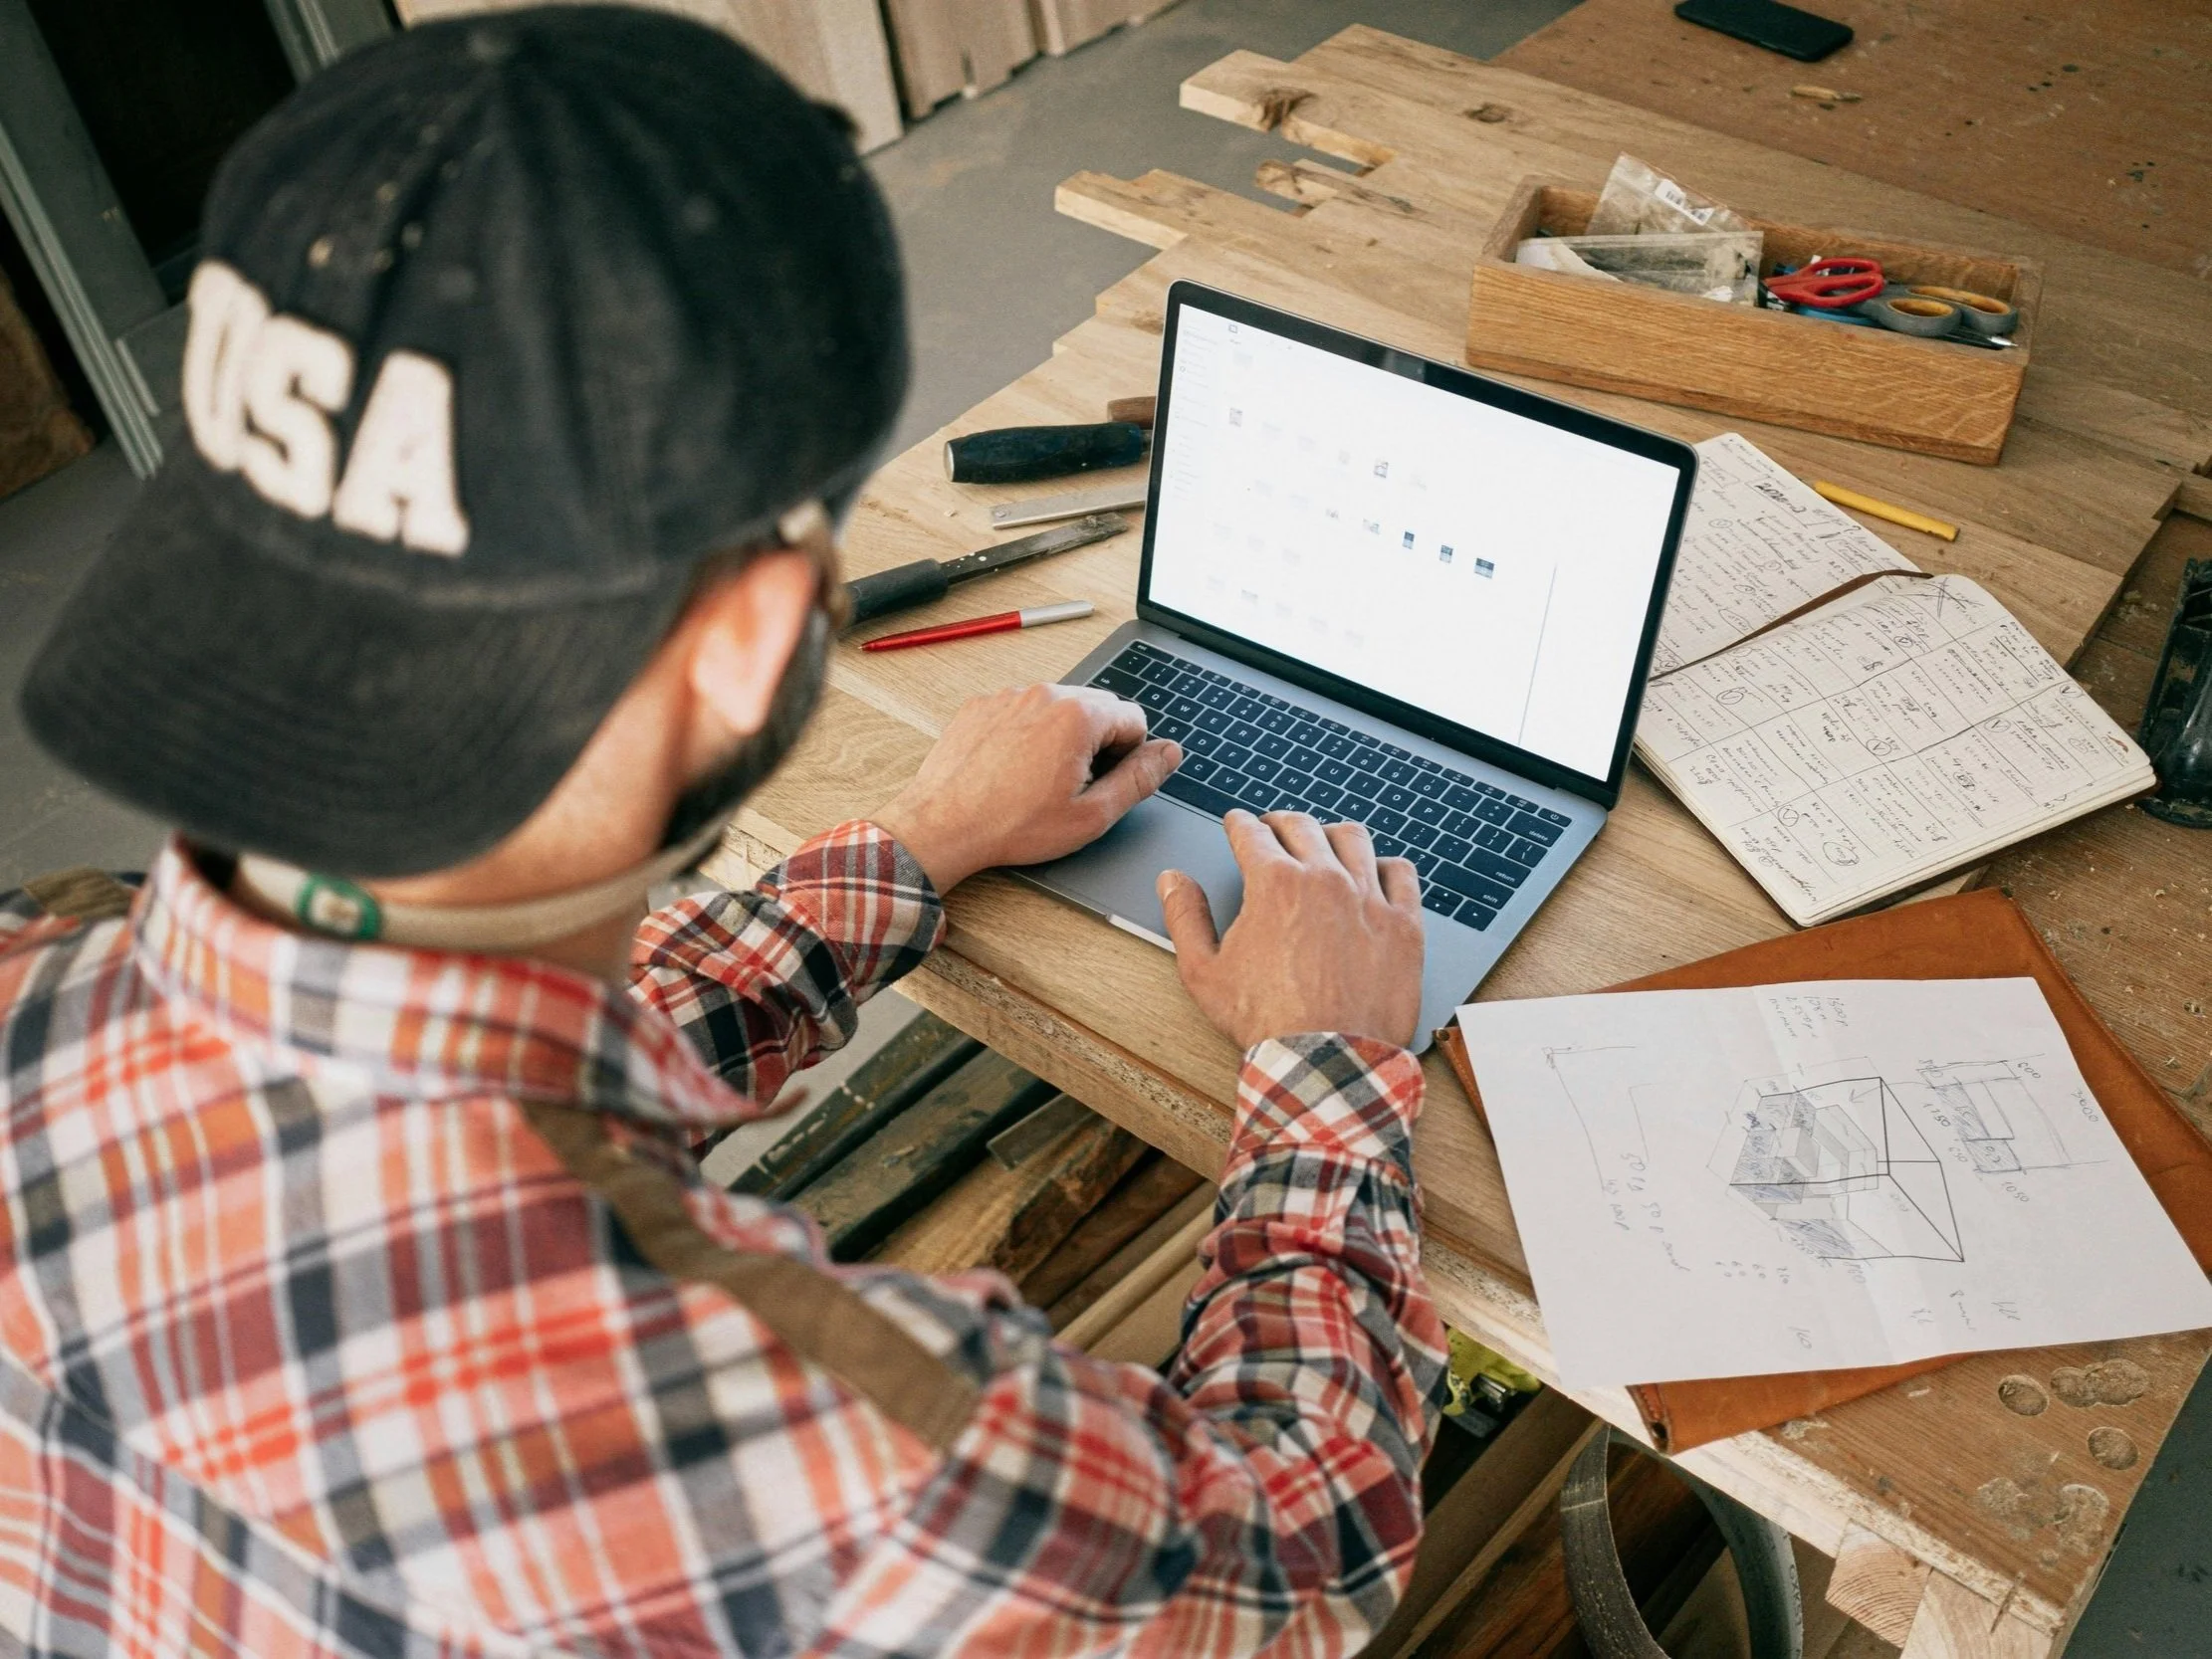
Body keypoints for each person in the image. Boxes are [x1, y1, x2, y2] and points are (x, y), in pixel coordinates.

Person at [0, 9, 1444, 1655]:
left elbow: (424, 1071)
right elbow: (1293, 1551)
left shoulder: (38, 970)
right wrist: (1322, 1075)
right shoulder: (813, 1447)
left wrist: (911, 843)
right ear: (761, 637)